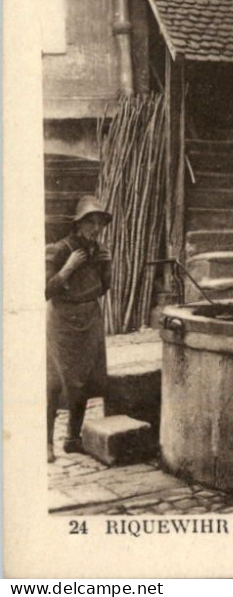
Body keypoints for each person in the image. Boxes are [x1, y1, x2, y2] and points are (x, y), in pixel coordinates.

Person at [46, 196, 112, 461]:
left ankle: (73, 439)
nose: (96, 229)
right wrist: (69, 267)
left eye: (100, 224)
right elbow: (45, 290)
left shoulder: (99, 251)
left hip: (90, 316)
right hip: (62, 320)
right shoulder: (60, 249)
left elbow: (103, 288)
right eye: (91, 223)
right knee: (55, 382)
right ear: (78, 224)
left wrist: (107, 265)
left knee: (83, 381)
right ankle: (45, 443)